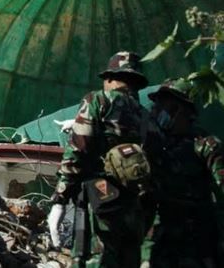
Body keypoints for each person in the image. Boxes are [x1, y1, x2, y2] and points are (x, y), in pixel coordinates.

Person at [48, 51, 158, 268]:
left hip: (99, 199)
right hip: (133, 207)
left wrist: (60, 199)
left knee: (93, 260)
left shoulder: (97, 100)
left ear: (109, 78)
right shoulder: (146, 117)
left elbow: (77, 152)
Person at [142, 78, 224, 268]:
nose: (158, 111)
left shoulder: (205, 145)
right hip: (157, 241)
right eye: (157, 105)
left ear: (185, 111)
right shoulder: (151, 144)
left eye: (167, 106)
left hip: (193, 243)